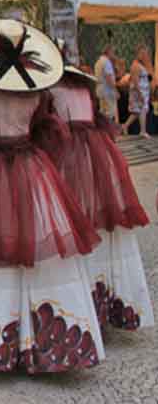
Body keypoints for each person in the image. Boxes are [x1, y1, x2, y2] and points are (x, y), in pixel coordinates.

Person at [0, 19, 104, 374]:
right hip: (28, 168)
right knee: (20, 247)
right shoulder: (26, 88)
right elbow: (47, 131)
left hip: (2, 170)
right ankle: (22, 339)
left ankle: (6, 338)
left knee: (9, 247)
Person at [49, 41, 154, 333]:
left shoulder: (52, 92)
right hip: (99, 155)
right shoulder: (83, 89)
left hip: (71, 156)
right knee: (99, 221)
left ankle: (83, 298)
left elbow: (51, 130)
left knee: (77, 218)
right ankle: (105, 297)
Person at [121, 44, 154, 137]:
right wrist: (140, 94)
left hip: (143, 91)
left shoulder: (141, 65)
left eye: (145, 53)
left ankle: (125, 126)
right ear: (137, 54)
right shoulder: (135, 66)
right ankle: (143, 131)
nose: (144, 55)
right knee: (142, 110)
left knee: (137, 112)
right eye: (142, 53)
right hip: (138, 91)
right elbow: (135, 82)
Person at [95, 44, 119, 125]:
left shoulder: (98, 61)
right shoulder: (106, 62)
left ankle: (102, 131)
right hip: (107, 90)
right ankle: (107, 131)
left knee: (103, 112)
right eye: (113, 52)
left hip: (100, 89)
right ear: (109, 52)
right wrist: (115, 90)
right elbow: (109, 78)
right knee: (110, 112)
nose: (114, 54)